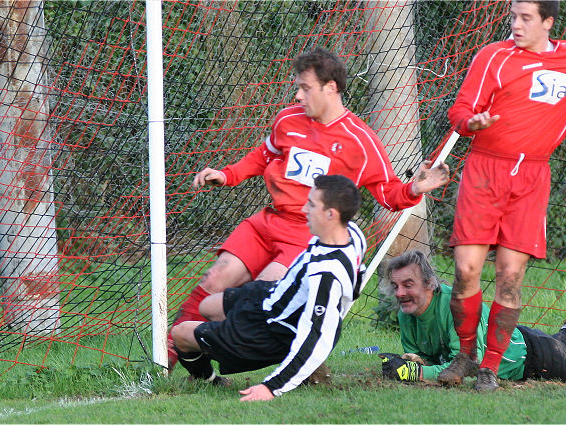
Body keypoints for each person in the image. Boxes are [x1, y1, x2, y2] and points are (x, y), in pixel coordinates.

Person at [168, 47, 450, 369]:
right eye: (298, 87)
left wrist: (414, 188)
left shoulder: (360, 140)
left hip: (306, 239)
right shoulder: (288, 120)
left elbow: (388, 194)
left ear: (331, 87)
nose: (298, 95)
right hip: (268, 223)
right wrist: (228, 174)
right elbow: (264, 155)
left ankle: (279, 361)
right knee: (215, 279)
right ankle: (174, 356)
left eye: (305, 87)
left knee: (263, 298)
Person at [442, 0, 566, 390]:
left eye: (525, 18)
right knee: (465, 271)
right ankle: (465, 354)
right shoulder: (493, 57)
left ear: (548, 22)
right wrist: (470, 121)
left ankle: (490, 368)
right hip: (485, 170)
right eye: (513, 16)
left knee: (510, 276)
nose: (515, 24)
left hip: (531, 177)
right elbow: (460, 109)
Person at [171, 174, 366, 401]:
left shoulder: (326, 275)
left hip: (269, 332)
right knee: (206, 306)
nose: (304, 209)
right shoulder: (352, 233)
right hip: (269, 297)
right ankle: (224, 340)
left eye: (312, 204)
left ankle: (209, 381)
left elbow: (317, 334)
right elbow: (357, 276)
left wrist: (271, 387)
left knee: (180, 334)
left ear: (331, 215)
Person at [378, 250, 566, 388]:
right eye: (396, 286)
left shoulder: (453, 305)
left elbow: (468, 366)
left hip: (531, 355)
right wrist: (413, 363)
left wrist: (415, 372)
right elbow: (435, 362)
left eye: (408, 285)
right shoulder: (406, 315)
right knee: (559, 347)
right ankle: (565, 335)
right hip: (510, 338)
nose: (399, 293)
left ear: (429, 283)